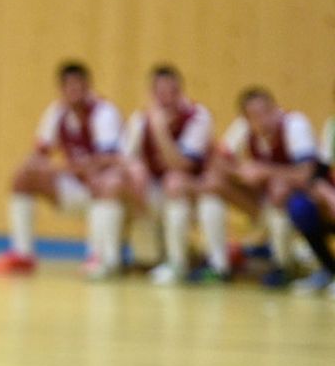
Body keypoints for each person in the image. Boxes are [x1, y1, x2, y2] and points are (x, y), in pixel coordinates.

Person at [0, 60, 125, 279]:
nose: (74, 91)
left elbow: (110, 159)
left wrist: (70, 168)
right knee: (23, 176)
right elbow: (39, 154)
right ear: (61, 89)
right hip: (76, 186)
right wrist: (39, 166)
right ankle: (23, 254)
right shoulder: (56, 112)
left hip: (109, 191)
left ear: (88, 86)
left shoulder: (103, 112)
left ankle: (99, 255)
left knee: (102, 180)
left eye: (79, 86)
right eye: (69, 87)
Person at [195, 86, 317, 285]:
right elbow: (216, 163)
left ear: (276, 108)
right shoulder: (243, 128)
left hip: (302, 198)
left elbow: (307, 174)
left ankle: (286, 264)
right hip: (264, 201)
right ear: (246, 118)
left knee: (280, 191)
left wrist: (264, 171)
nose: (263, 120)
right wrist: (241, 172)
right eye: (255, 116)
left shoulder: (295, 124)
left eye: (267, 112)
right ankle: (218, 265)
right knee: (212, 185)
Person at [121, 64, 212, 285]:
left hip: (194, 192)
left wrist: (160, 130)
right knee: (122, 183)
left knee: (174, 182)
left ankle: (177, 262)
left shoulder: (197, 116)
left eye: (172, 91)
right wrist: (134, 168)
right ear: (151, 94)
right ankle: (140, 257)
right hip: (155, 190)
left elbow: (180, 164)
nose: (166, 98)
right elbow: (122, 159)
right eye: (160, 92)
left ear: (180, 91)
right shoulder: (140, 119)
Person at [287, 81, 335, 296]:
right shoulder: (332, 127)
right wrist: (326, 193)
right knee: (301, 206)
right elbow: (320, 172)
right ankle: (329, 269)